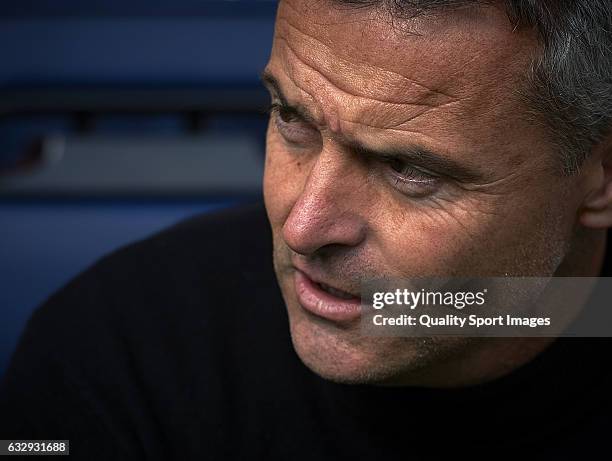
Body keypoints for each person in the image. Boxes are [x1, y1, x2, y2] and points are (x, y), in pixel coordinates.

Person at [2, 0, 612, 459]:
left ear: (601, 175)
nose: (303, 227)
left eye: (408, 169)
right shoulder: (120, 354)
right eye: (291, 119)